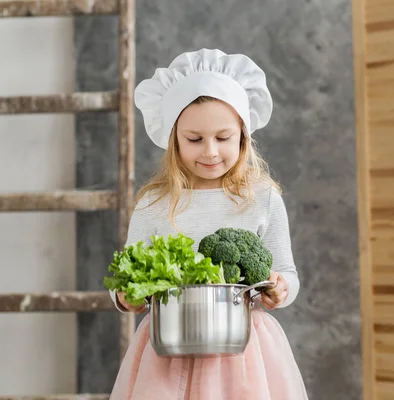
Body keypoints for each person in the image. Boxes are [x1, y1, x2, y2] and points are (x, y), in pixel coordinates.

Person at [108, 48, 308, 400]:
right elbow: (126, 273)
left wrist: (280, 287)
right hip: (168, 350)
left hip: (244, 349)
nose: (211, 151)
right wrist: (125, 297)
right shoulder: (154, 203)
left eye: (224, 137)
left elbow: (286, 271)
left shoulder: (262, 198)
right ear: (174, 139)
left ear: (243, 136)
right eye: (195, 139)